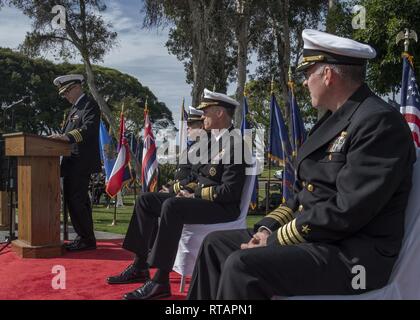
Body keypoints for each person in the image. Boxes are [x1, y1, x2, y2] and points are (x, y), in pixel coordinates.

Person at [187, 29, 416, 300]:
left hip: (355, 256)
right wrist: (265, 229)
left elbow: (348, 210)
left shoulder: (379, 122)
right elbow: (301, 195)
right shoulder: (332, 121)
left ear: (328, 75)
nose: (305, 83)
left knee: (243, 265)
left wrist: (273, 241)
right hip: (319, 238)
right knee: (215, 244)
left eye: (308, 74)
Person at [107, 90, 248, 300]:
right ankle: (140, 265)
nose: (202, 117)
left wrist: (195, 193)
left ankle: (160, 281)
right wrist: (186, 190)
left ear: (220, 113)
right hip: (200, 201)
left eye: (206, 112)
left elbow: (230, 191)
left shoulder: (236, 144)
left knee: (173, 207)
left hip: (222, 208)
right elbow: (195, 175)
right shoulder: (208, 142)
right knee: (146, 201)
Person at [51, 74, 101, 251]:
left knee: (77, 200)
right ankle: (85, 237)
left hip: (81, 161)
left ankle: (86, 239)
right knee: (76, 201)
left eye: (66, 92)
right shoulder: (74, 109)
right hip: (71, 161)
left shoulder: (88, 105)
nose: (65, 96)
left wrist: (66, 137)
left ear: (76, 87)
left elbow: (88, 129)